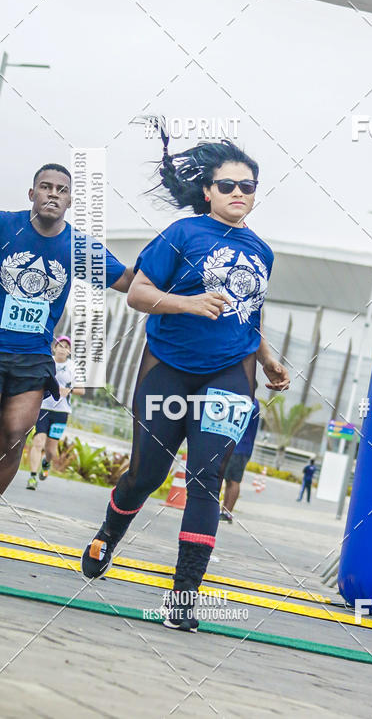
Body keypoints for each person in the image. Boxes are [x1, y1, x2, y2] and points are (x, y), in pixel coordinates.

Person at [81, 136, 290, 633]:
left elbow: (249, 314)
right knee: (145, 475)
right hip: (169, 367)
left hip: (230, 372)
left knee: (205, 479)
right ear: (208, 191)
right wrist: (189, 303)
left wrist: (268, 359)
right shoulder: (183, 233)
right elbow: (138, 293)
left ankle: (183, 596)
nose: (238, 193)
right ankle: (109, 533)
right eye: (228, 185)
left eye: (247, 186)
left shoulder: (262, 251)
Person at [0, 165, 133, 496]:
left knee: (14, 438)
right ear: (32, 194)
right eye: (46, 187)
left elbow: (127, 280)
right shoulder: (5, 226)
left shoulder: (78, 247)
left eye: (62, 190)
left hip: (32, 356)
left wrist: (169, 260)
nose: (53, 194)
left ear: (70, 201)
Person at [26, 335, 83, 489]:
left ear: (69, 351)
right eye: (60, 346)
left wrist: (69, 390)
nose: (62, 349)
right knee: (38, 442)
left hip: (61, 412)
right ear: (54, 348)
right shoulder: (47, 361)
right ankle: (32, 477)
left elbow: (81, 390)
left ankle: (46, 462)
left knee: (51, 450)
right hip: (43, 408)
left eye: (66, 347)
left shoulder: (73, 367)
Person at [220, 398, 260, 523]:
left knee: (233, 480)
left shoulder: (248, 401)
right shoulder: (253, 401)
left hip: (239, 447)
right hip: (241, 447)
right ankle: (224, 511)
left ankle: (227, 513)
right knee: (229, 480)